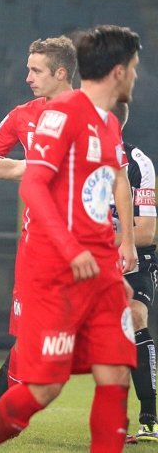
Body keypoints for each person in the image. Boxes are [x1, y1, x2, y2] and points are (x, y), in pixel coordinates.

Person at [0, 24, 142, 453]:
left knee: (115, 374)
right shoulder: (62, 114)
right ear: (118, 71)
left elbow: (111, 188)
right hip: (58, 266)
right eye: (133, 67)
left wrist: (121, 250)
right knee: (46, 387)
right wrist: (71, 247)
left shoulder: (109, 123)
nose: (135, 75)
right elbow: (33, 185)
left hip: (100, 268)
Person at [110, 102, 158, 444]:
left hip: (134, 259)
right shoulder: (75, 160)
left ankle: (150, 417)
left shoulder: (138, 164)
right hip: (88, 260)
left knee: (134, 316)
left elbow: (144, 233)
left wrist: (90, 237)